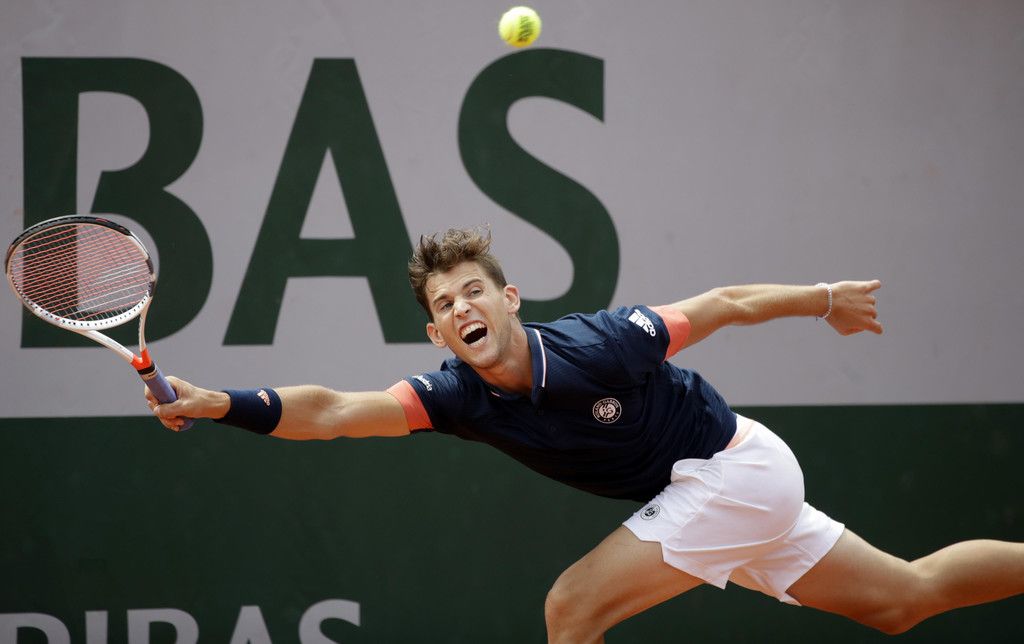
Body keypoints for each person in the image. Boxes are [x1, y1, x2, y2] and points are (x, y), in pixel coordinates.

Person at [147, 228, 1023, 642]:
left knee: (570, 609)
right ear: (438, 334)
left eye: (474, 290)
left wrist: (826, 299)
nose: (462, 306)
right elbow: (336, 413)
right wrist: (217, 402)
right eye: (445, 304)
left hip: (733, 471)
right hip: (715, 494)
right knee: (904, 600)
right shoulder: (453, 396)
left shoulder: (600, 344)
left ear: (508, 299)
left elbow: (722, 304)